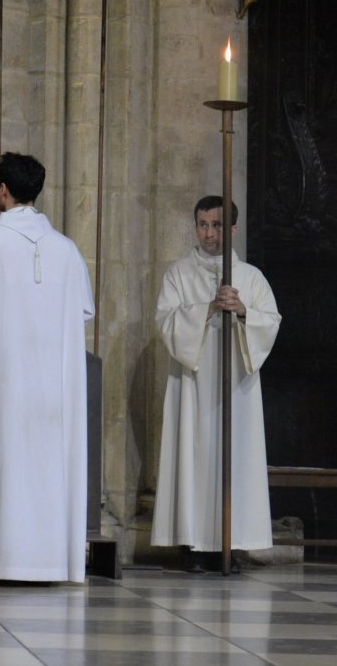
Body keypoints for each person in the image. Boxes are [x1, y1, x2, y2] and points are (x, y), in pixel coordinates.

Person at [0, 152, 95, 582]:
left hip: (3, 378)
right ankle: (48, 561)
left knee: (0, 458)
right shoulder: (67, 250)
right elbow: (85, 310)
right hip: (53, 389)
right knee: (47, 464)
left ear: (2, 191)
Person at [151, 196, 281, 572]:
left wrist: (242, 311)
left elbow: (270, 321)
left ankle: (231, 543)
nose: (209, 233)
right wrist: (207, 308)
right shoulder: (178, 274)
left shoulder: (252, 278)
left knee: (234, 459)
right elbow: (165, 321)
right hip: (192, 384)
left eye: (218, 225)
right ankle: (192, 544)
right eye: (203, 225)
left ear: (234, 229)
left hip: (235, 388)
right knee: (193, 457)